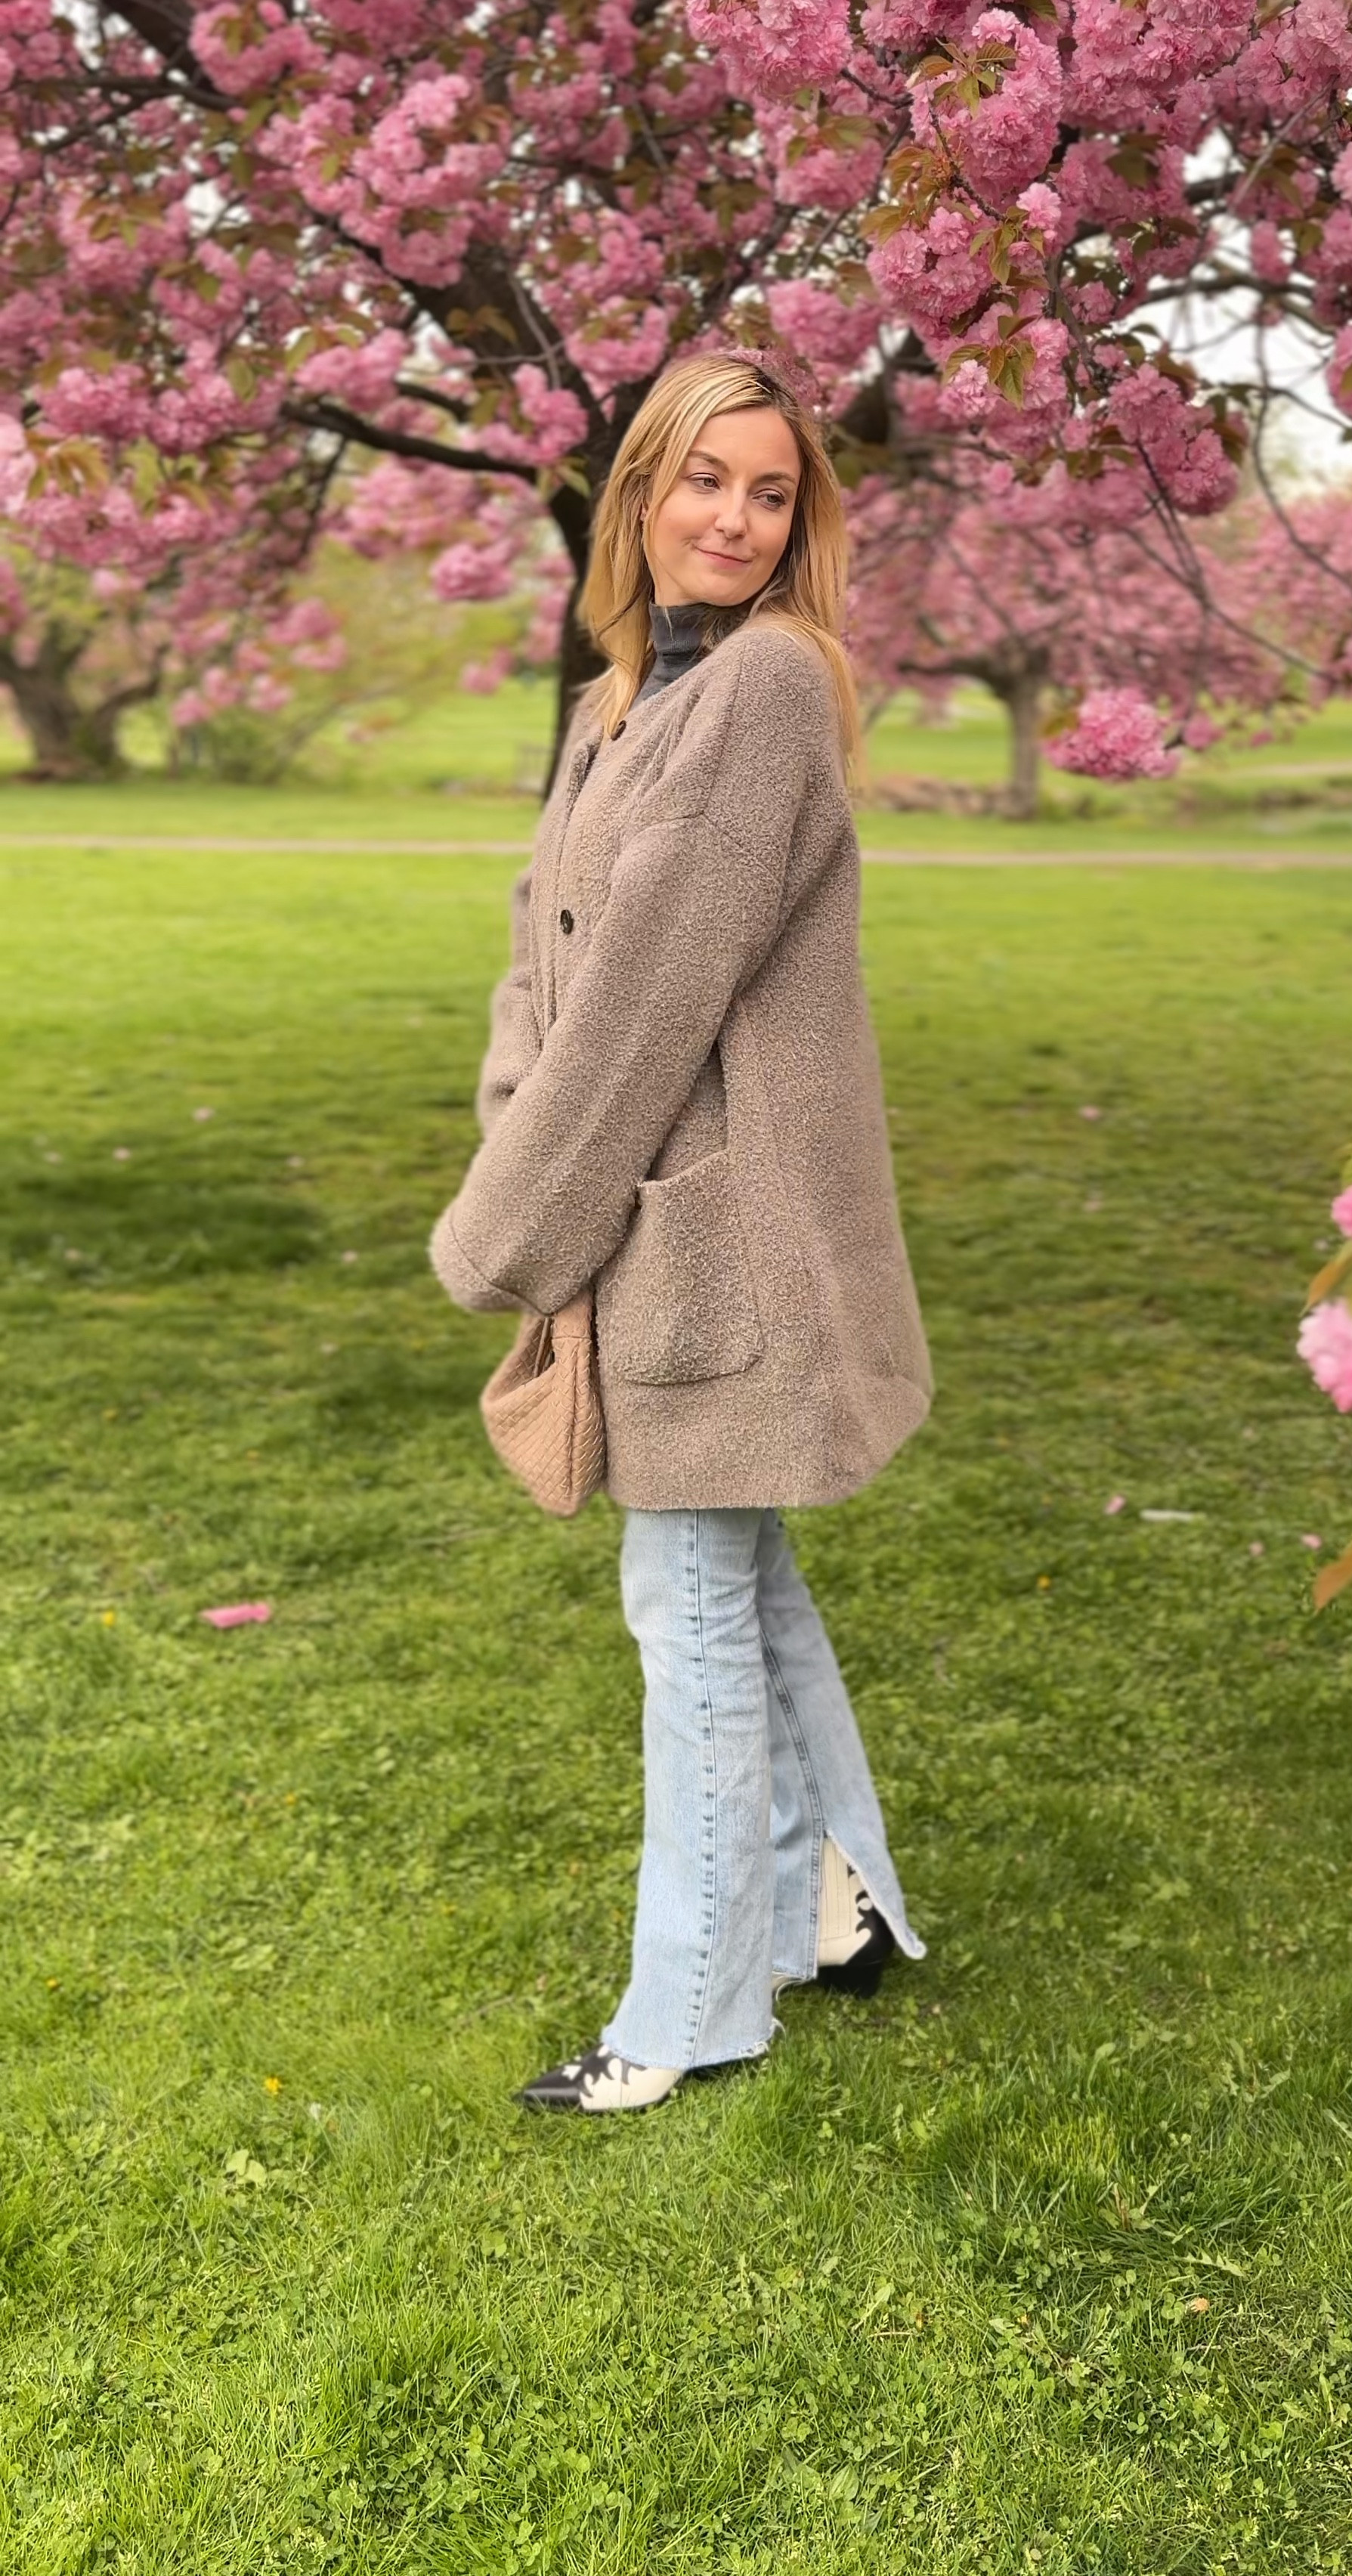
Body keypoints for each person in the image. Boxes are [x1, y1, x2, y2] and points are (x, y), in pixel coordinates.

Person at [429, 351, 933, 2113]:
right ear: (639, 493)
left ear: (803, 522)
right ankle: (838, 1904)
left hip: (724, 1233)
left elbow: (647, 1001)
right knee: (733, 1573)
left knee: (692, 1597)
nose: (734, 517)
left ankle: (692, 2008)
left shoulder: (773, 687)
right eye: (702, 481)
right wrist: (517, 1132)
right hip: (641, 1204)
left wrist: (509, 1230)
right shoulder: (623, 694)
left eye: (772, 491)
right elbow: (539, 953)